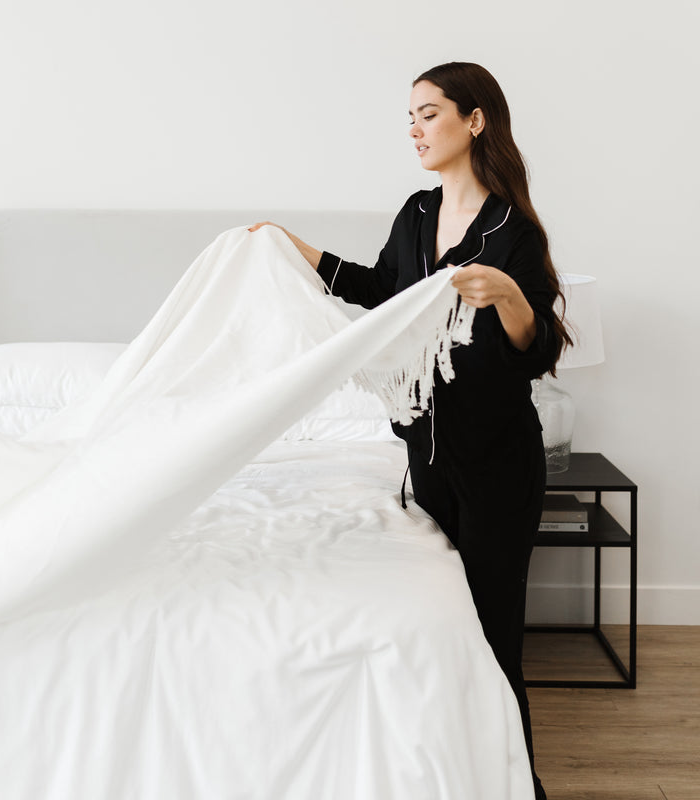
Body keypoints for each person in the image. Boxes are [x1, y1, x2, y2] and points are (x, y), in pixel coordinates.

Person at [249, 61, 570, 800]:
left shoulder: (512, 230)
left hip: (497, 467)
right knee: (439, 642)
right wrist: (294, 248)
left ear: (475, 120)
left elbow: (540, 350)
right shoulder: (418, 215)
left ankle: (520, 784)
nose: (416, 129)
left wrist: (513, 297)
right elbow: (377, 291)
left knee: (493, 644)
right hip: (425, 465)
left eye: (429, 114)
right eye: (411, 118)